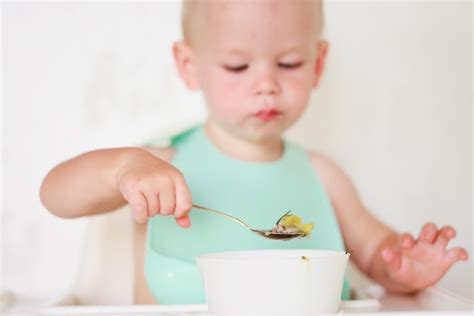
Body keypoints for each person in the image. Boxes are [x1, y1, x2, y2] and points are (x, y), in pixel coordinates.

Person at [40, 0, 469, 304]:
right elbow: (55, 195)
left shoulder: (323, 176)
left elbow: (378, 256)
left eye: (288, 64)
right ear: (190, 66)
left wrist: (402, 267)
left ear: (318, 64)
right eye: (237, 66)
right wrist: (123, 167)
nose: (266, 83)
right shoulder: (160, 167)